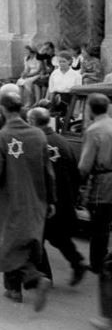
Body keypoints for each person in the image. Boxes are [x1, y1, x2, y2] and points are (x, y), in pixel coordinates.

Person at [0, 93, 55, 312]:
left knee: (8, 245)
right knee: (21, 244)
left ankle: (33, 281)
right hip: (35, 201)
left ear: (2, 109)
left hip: (8, 203)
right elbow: (49, 172)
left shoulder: (1, 137)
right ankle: (15, 288)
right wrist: (52, 200)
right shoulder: (38, 135)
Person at [27, 106, 88, 286]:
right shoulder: (62, 141)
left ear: (32, 122)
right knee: (57, 237)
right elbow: (76, 174)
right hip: (64, 200)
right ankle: (77, 262)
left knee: (37, 238)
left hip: (46, 201)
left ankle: (44, 277)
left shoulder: (36, 143)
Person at [79, 93, 112, 274]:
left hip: (102, 183)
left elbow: (85, 165)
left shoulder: (93, 130)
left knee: (99, 225)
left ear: (90, 108)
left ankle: (98, 263)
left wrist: (79, 185)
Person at [47, 51, 83, 117]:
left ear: (69, 61)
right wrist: (50, 105)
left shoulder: (76, 75)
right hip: (56, 99)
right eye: (60, 62)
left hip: (70, 99)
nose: (61, 63)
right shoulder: (54, 73)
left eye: (64, 61)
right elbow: (51, 90)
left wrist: (76, 109)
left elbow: (78, 94)